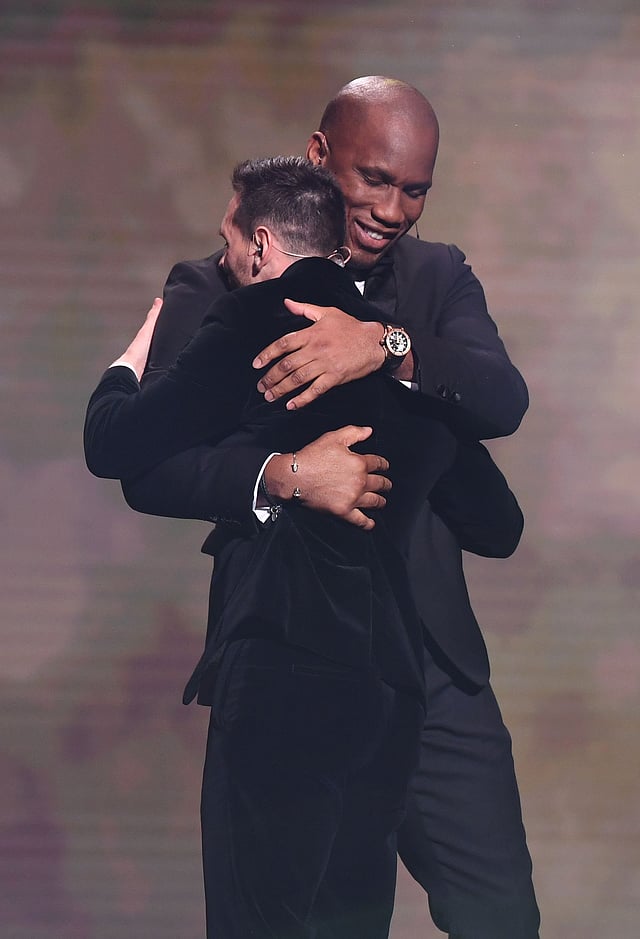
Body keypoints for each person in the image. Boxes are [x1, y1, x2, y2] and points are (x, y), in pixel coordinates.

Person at [112, 77, 540, 939]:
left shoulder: (438, 277)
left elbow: (501, 397)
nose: (392, 209)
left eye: (414, 189)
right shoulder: (222, 279)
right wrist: (283, 473)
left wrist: (384, 347)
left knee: (500, 917)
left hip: (431, 664)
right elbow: (147, 469)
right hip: (288, 655)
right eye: (375, 179)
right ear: (318, 154)